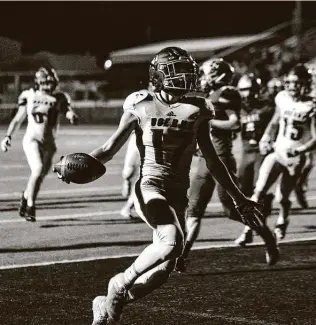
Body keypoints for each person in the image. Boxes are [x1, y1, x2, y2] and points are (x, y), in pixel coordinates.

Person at [55, 47, 278, 325]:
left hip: (177, 192)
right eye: (177, 70)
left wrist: (239, 198)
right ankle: (118, 284)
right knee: (172, 241)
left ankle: (110, 306)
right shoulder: (140, 104)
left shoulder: (198, 108)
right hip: (150, 184)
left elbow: (213, 160)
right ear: (159, 74)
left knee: (164, 269)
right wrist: (73, 165)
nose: (186, 75)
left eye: (188, 69)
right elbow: (109, 148)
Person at [175, 59, 266, 272]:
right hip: (204, 159)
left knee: (231, 210)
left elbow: (235, 122)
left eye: (208, 74)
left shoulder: (227, 92)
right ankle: (183, 255)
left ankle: (266, 236)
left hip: (221, 157)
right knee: (194, 209)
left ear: (218, 75)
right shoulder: (208, 96)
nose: (204, 78)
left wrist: (205, 122)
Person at [236, 63, 316, 243]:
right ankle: (248, 230)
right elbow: (274, 121)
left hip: (295, 157)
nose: (292, 86)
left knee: (282, 197)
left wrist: (300, 150)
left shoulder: (311, 105)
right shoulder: (282, 98)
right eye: (290, 82)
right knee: (258, 192)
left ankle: (282, 220)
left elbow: (315, 138)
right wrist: (266, 137)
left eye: (297, 82)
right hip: (278, 152)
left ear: (305, 83)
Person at [1, 67, 78, 222]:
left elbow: (66, 110)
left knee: (40, 175)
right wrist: (7, 136)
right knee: (37, 169)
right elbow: (18, 119)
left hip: (49, 143)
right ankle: (31, 206)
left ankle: (25, 196)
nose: (50, 85)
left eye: (52, 82)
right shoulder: (29, 96)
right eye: (47, 82)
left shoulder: (59, 97)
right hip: (32, 139)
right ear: (40, 82)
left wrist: (72, 116)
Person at [235, 73, 275, 246]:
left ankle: (249, 230)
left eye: (250, 89)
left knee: (258, 192)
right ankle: (258, 220)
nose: (247, 93)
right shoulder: (238, 108)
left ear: (257, 90)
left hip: (260, 153)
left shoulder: (267, 107)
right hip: (246, 153)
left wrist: (270, 139)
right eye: (243, 90)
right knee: (243, 191)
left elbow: (277, 122)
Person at [120, 131, 140, 218]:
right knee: (129, 171)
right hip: (137, 138)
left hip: (158, 143)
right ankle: (127, 180)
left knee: (145, 179)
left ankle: (128, 207)